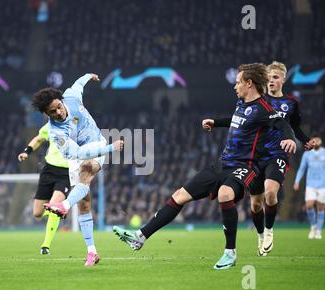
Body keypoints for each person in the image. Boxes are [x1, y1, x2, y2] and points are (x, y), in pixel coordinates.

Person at [113, 63, 296, 270]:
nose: (235, 86)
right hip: (223, 163)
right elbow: (237, 121)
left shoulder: (264, 109)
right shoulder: (241, 104)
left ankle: (230, 253)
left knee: (225, 194)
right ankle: (140, 236)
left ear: (249, 83)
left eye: (238, 82)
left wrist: (289, 139)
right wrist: (216, 122)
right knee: (179, 195)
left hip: (246, 166)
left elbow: (283, 124)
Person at [204, 61, 314, 256]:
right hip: (256, 157)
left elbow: (293, 126)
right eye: (269, 77)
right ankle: (261, 234)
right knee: (256, 203)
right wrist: (216, 122)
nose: (271, 81)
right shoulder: (258, 101)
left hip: (277, 155)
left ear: (283, 80)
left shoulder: (291, 104)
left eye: (275, 77)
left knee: (271, 193)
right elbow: (237, 120)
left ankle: (270, 231)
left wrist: (303, 141)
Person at [32, 73, 123, 266]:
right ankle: (92, 252)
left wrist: (88, 76)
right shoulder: (56, 132)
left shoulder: (71, 97)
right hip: (78, 154)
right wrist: (111, 148)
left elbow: (78, 84)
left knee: (87, 173)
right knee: (84, 204)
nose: (58, 112)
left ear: (62, 100)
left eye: (58, 106)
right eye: (52, 112)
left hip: (97, 144)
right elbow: (80, 152)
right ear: (46, 115)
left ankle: (63, 206)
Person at [17, 123, 70, 255]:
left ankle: (45, 245)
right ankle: (57, 213)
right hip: (48, 170)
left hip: (67, 172)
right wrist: (26, 152)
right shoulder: (52, 124)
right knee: (37, 213)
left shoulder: (78, 122)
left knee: (54, 206)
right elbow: (39, 138)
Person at [294, 136, 325, 240]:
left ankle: (319, 231)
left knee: (321, 207)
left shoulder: (324, 152)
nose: (316, 141)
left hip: (322, 185)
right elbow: (302, 169)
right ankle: (313, 226)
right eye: (314, 140)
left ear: (321, 142)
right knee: (309, 205)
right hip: (310, 185)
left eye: (318, 139)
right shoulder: (307, 154)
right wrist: (297, 181)